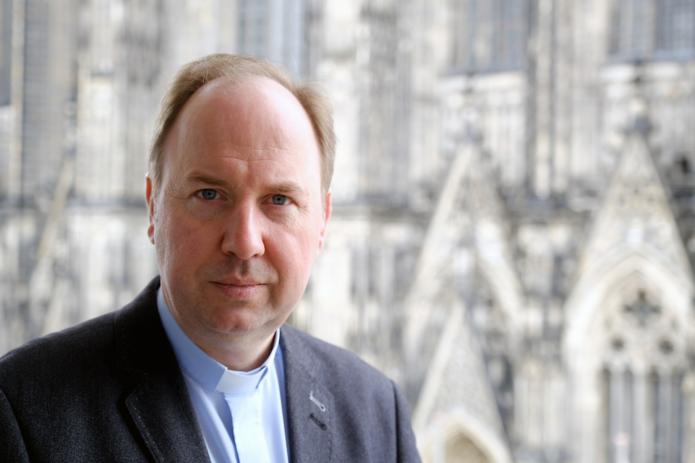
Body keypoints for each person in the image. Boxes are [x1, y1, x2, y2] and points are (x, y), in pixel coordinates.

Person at [0, 54, 421, 462]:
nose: (244, 242)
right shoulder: (24, 412)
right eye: (209, 194)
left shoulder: (376, 412)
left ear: (323, 221)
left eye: (279, 199)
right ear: (153, 207)